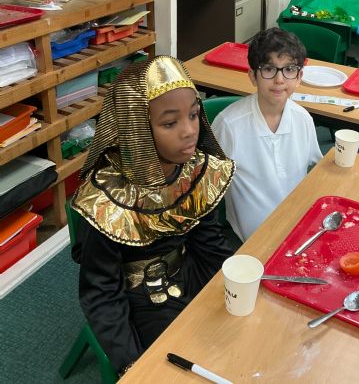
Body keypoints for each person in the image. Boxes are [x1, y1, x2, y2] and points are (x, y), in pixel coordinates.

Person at [70, 56, 235, 376]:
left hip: (188, 270)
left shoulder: (194, 170)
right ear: (137, 129)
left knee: (236, 330)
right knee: (178, 365)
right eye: (170, 123)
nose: (189, 131)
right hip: (138, 296)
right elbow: (102, 292)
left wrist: (234, 282)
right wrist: (130, 363)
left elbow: (209, 241)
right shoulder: (107, 200)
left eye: (193, 115)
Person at [212, 27, 322, 242]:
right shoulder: (229, 125)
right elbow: (206, 186)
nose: (279, 79)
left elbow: (317, 169)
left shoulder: (303, 119)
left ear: (299, 76)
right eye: (269, 69)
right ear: (253, 76)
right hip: (253, 239)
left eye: (289, 69)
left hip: (297, 228)